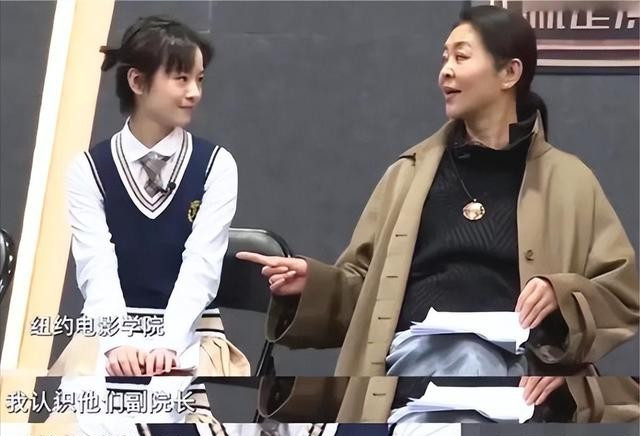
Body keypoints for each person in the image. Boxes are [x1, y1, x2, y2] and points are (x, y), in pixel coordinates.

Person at [238, 5, 639, 423]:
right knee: (463, 362)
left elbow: (621, 295)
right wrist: (315, 286)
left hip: (515, 377)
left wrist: (562, 295)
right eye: (444, 57)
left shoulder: (571, 181)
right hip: (412, 370)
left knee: (473, 364)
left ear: (509, 73)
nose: (445, 71)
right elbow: (368, 295)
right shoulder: (407, 174)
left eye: (461, 57)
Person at [47, 15, 249, 426]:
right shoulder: (89, 170)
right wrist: (117, 343)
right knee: (91, 418)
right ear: (138, 82)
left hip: (189, 329)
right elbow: (95, 264)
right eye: (180, 78)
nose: (194, 92)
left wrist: (168, 343)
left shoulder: (216, 166)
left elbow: (202, 264)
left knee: (164, 411)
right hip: (108, 329)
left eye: (199, 79)